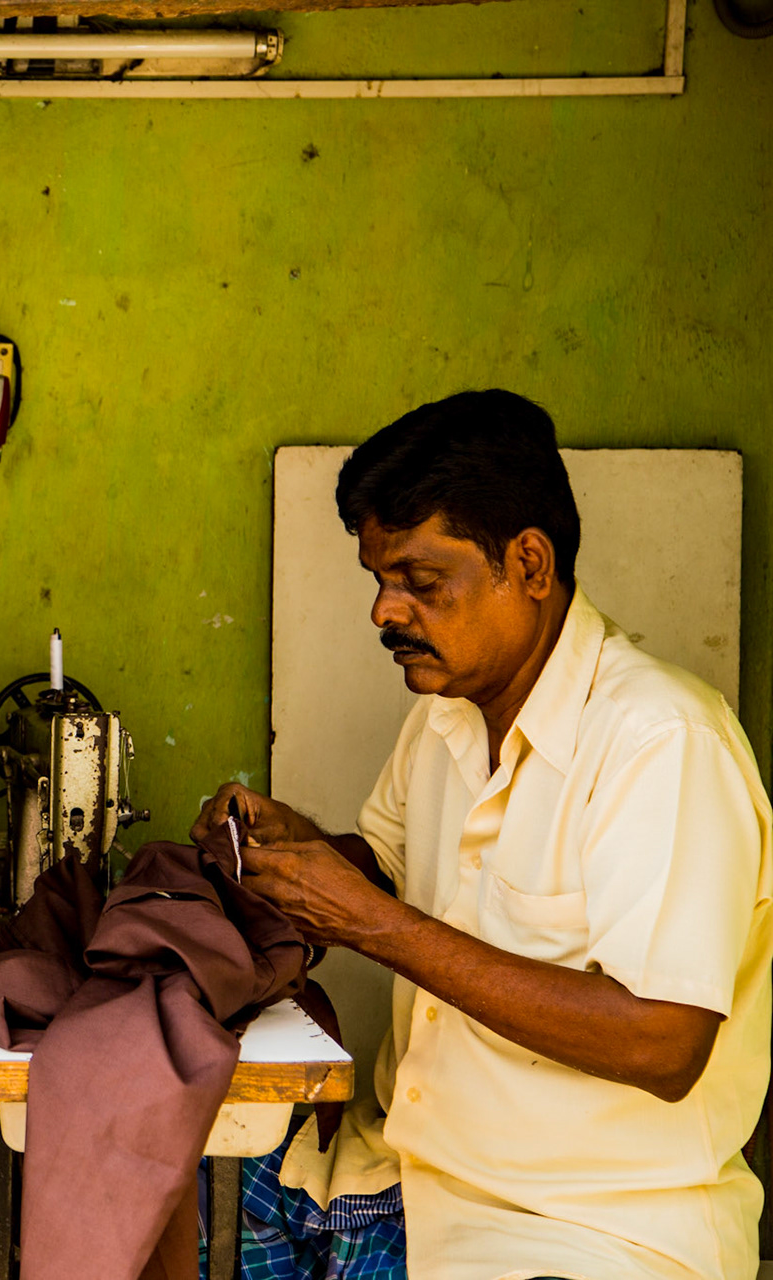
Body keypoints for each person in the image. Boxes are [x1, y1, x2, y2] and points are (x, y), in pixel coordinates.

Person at [190, 390, 773, 1279]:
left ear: (529, 564)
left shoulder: (661, 742)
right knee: (151, 1180)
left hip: (580, 1234)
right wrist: (285, 849)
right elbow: (386, 871)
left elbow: (663, 1042)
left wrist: (372, 925)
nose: (385, 612)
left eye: (421, 583)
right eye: (379, 581)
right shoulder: (447, 715)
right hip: (404, 1182)